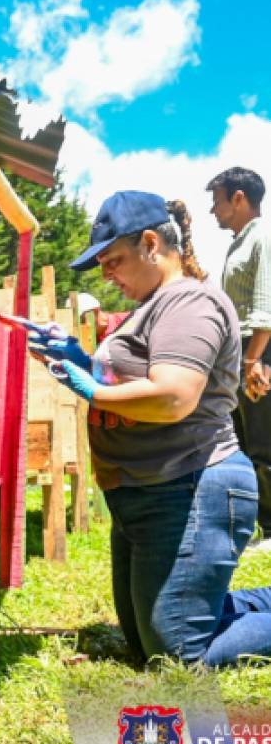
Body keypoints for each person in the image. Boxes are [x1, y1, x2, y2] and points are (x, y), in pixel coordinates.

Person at [31, 190, 271, 666]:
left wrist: (90, 388)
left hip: (190, 487)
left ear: (150, 244)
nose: (107, 274)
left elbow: (173, 395)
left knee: (178, 654)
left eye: (113, 260)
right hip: (147, 492)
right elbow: (131, 375)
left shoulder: (189, 302)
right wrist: (79, 359)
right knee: (146, 645)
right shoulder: (152, 306)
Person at [207, 167, 271, 540]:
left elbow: (265, 306)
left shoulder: (262, 236)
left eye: (217, 201)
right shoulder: (239, 241)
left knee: (264, 443)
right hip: (244, 351)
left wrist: (253, 361)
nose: (214, 211)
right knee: (243, 441)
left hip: (259, 350)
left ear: (239, 198)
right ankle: (256, 526)